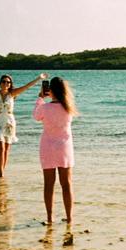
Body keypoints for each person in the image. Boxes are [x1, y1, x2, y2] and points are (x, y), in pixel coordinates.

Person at [33, 76, 78, 225]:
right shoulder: (69, 108)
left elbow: (36, 116)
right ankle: (69, 218)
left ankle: (50, 218)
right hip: (64, 148)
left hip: (48, 148)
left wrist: (40, 98)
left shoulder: (45, 108)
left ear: (50, 90)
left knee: (49, 184)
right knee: (67, 184)